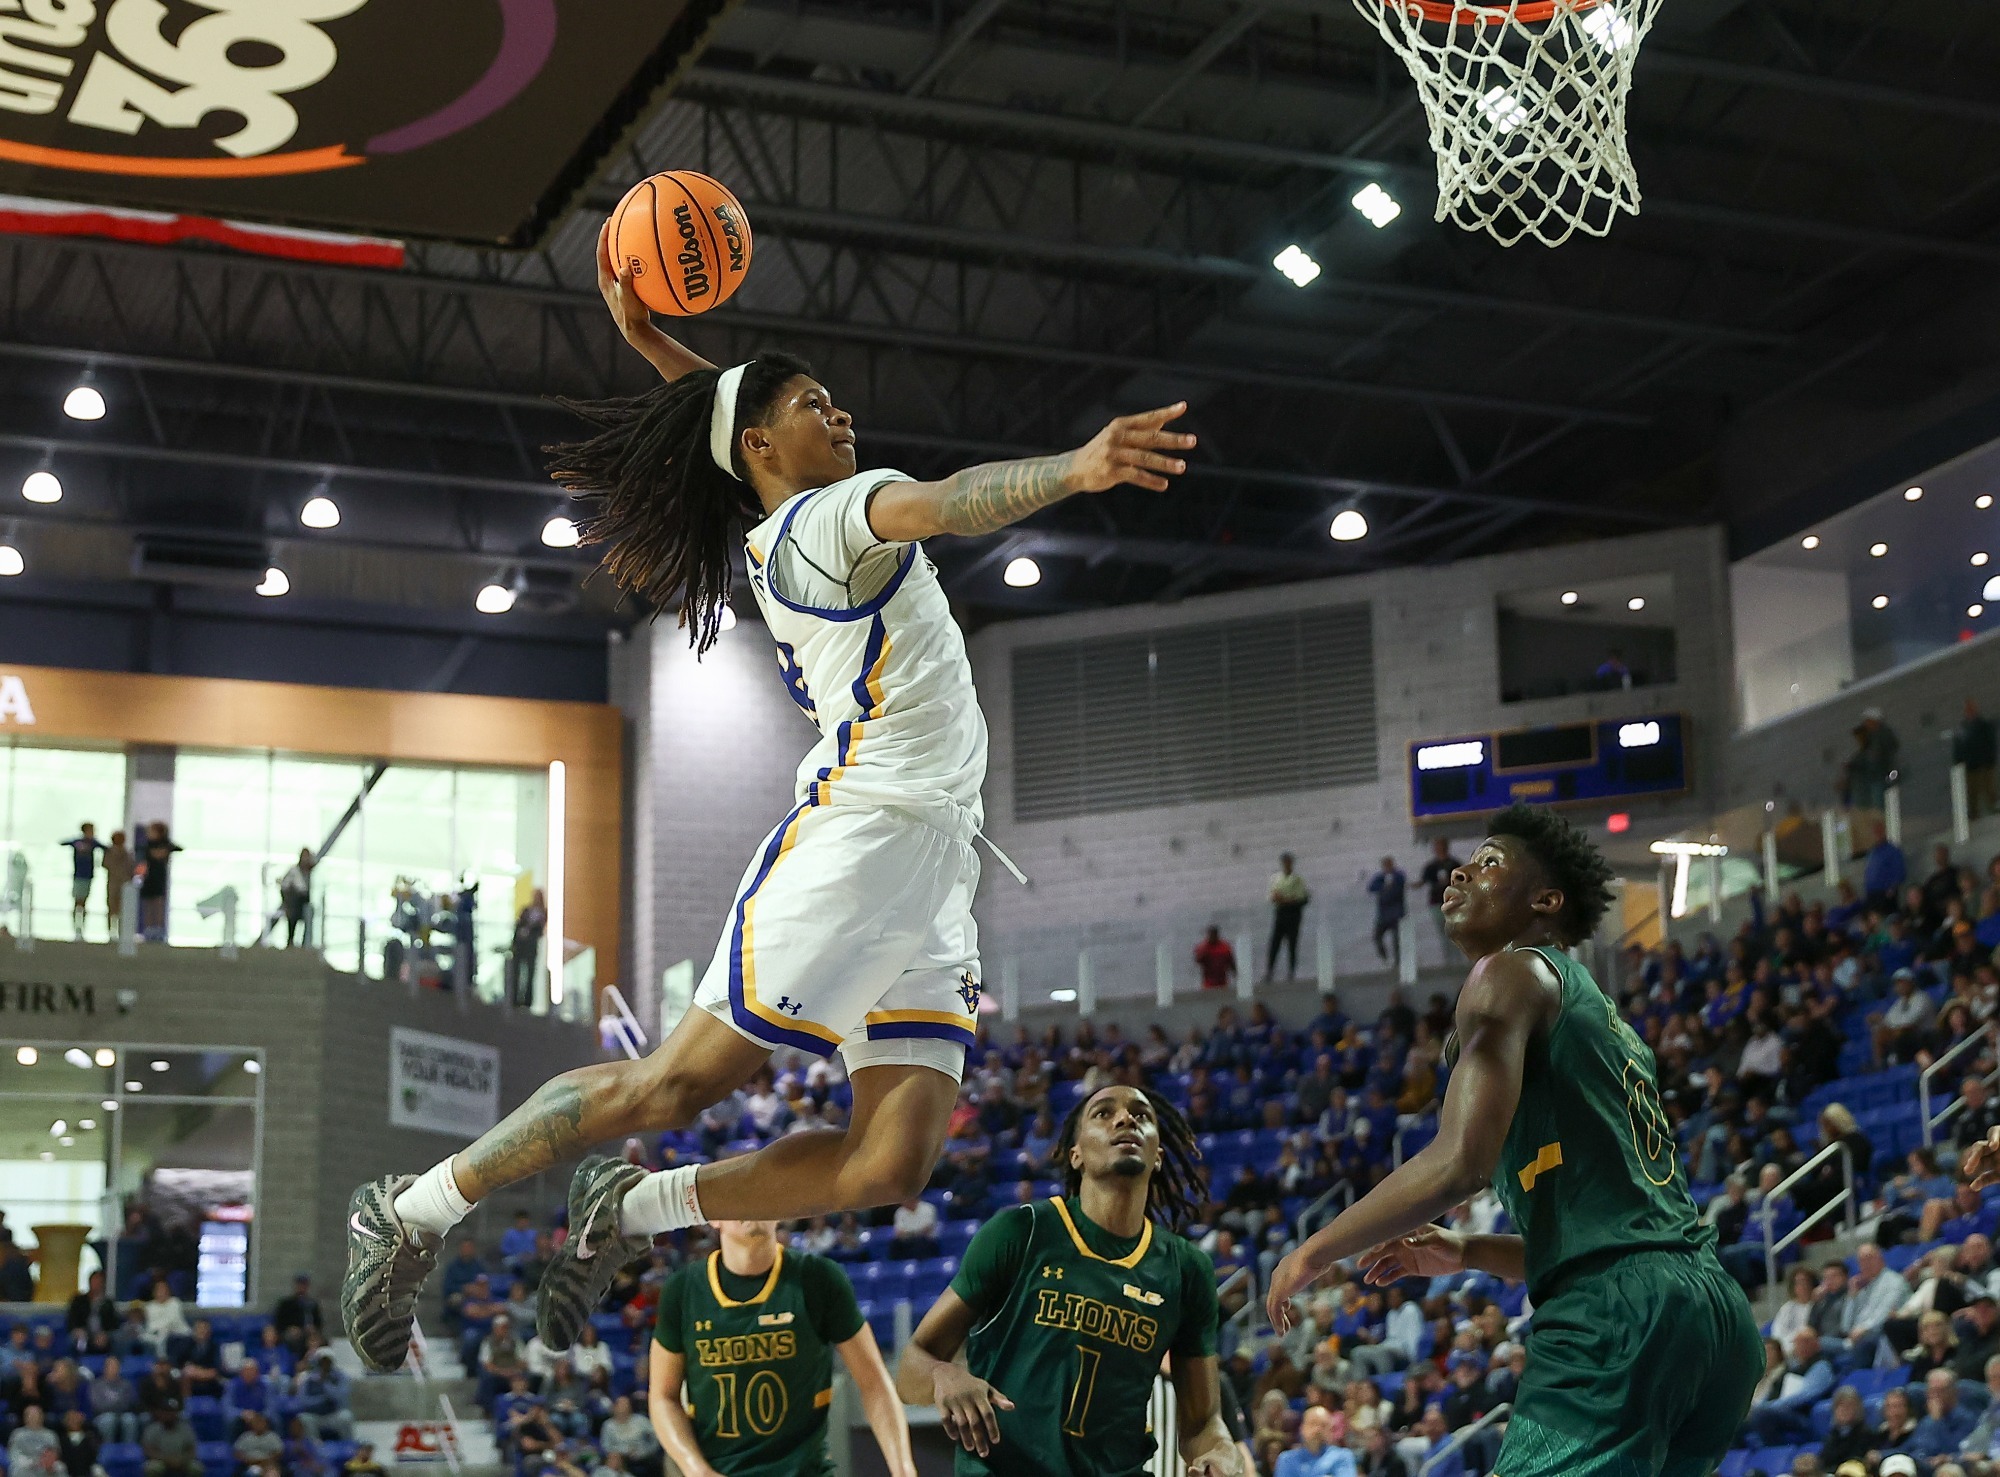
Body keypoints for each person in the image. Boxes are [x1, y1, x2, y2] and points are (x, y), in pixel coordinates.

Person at [341, 226, 1198, 1373]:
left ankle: (630, 1210)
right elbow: (951, 499)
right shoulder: (822, 521)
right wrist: (1071, 470)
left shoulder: (782, 513)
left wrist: (651, 339)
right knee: (674, 1082)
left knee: (890, 1163)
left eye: (838, 403)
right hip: (858, 839)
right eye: (817, 404)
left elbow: (725, 414)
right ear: (762, 442)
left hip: (932, 865)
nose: (841, 416)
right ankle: (411, 1210)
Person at [1267, 804, 1762, 1477]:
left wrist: (1314, 1250)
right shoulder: (1599, 1019)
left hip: (1618, 1315)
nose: (1461, 868)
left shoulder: (1508, 973)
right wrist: (1467, 1248)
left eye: (1491, 861)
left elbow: (1460, 1164)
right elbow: (1614, 1233)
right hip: (1709, 1313)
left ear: (1546, 900)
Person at [897, 1083, 1239, 1474]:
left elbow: (1203, 1423)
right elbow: (911, 1366)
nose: (1125, 1119)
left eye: (1141, 1116)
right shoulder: (1021, 1232)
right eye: (1103, 1113)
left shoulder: (1186, 1269)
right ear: (1075, 1154)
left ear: (1158, 1155)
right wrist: (944, 1375)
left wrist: (1220, 1455)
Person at [648, 1217, 914, 1477]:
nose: (752, 1202)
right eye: (739, 1193)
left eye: (763, 1192)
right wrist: (696, 1469)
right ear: (714, 1218)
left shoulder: (819, 1278)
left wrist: (903, 1470)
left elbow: (874, 1381)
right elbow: (662, 1396)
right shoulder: (682, 1290)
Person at [1274, 1405, 1354, 1477]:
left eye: (1323, 1425)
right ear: (1302, 1428)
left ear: (1330, 1431)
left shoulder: (1343, 1457)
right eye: (1313, 1423)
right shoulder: (1287, 1459)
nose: (1318, 1429)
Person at [1267, 854, 1310, 983]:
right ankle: (1270, 971)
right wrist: (1286, 899)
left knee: (1292, 944)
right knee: (1275, 943)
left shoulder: (1297, 879)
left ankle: (1291, 972)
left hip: (1293, 914)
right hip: (1281, 913)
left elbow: (1300, 898)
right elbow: (1273, 896)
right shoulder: (1276, 878)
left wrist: (1284, 899)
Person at [136, 822, 182, 942]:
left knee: (158, 906)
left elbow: (178, 848)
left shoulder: (165, 845)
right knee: (149, 907)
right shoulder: (146, 846)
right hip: (148, 880)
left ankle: (158, 931)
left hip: (159, 880)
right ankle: (148, 931)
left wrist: (163, 851)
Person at [59, 825, 105, 939]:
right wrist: (78, 845)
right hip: (78, 875)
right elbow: (63, 843)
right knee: (77, 901)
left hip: (88, 876)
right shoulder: (78, 842)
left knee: (84, 902)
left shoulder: (93, 843)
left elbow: (105, 847)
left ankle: (82, 926)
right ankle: (75, 926)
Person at [1958, 699, 1998, 819]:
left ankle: (1993, 808)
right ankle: (1974, 814)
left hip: (1984, 764)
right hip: (1971, 765)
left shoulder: (1983, 725)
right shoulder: (1964, 727)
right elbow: (1960, 746)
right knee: (1972, 792)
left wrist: (1990, 759)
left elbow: (1990, 743)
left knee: (1989, 788)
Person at [508, 891, 547, 1008]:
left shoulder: (543, 913)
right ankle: (514, 998)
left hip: (531, 947)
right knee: (516, 972)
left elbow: (540, 931)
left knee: (530, 974)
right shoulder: (526, 910)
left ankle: (527, 1000)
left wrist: (530, 931)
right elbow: (518, 925)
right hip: (521, 947)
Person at [1367, 857, 1406, 968]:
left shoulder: (1398, 876)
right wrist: (1383, 886)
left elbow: (1400, 885)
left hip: (1396, 913)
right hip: (1384, 914)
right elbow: (1371, 888)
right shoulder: (1380, 877)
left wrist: (1391, 885)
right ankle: (1385, 958)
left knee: (1396, 940)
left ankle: (1398, 963)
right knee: (1377, 936)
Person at [274, 1273, 323, 1354]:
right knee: (293, 1339)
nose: (302, 1288)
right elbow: (279, 1322)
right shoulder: (287, 1304)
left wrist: (314, 1329)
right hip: (292, 1332)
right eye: (300, 1285)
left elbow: (319, 1322)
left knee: (318, 1341)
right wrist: (291, 1329)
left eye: (304, 1285)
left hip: (309, 1332)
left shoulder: (312, 1304)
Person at [103, 829, 134, 939]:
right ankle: (111, 930)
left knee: (122, 908)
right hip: (114, 883)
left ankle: (121, 931)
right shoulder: (109, 852)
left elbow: (132, 868)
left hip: (123, 884)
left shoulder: (127, 853)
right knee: (112, 907)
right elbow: (106, 864)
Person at [279, 850, 314, 948]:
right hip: (295, 900)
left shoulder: (304, 872)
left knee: (296, 919)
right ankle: (293, 942)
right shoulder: (295, 872)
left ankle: (299, 942)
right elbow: (297, 887)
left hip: (298, 901)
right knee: (293, 919)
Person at [1194, 926, 1236, 992]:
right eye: (1210, 935)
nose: (1212, 937)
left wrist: (1235, 972)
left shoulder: (1224, 947)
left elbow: (1230, 961)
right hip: (1208, 982)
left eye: (1214, 935)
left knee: (1223, 997)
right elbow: (1198, 960)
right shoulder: (1203, 947)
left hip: (1222, 981)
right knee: (1210, 997)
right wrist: (1204, 954)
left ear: (1217, 935)